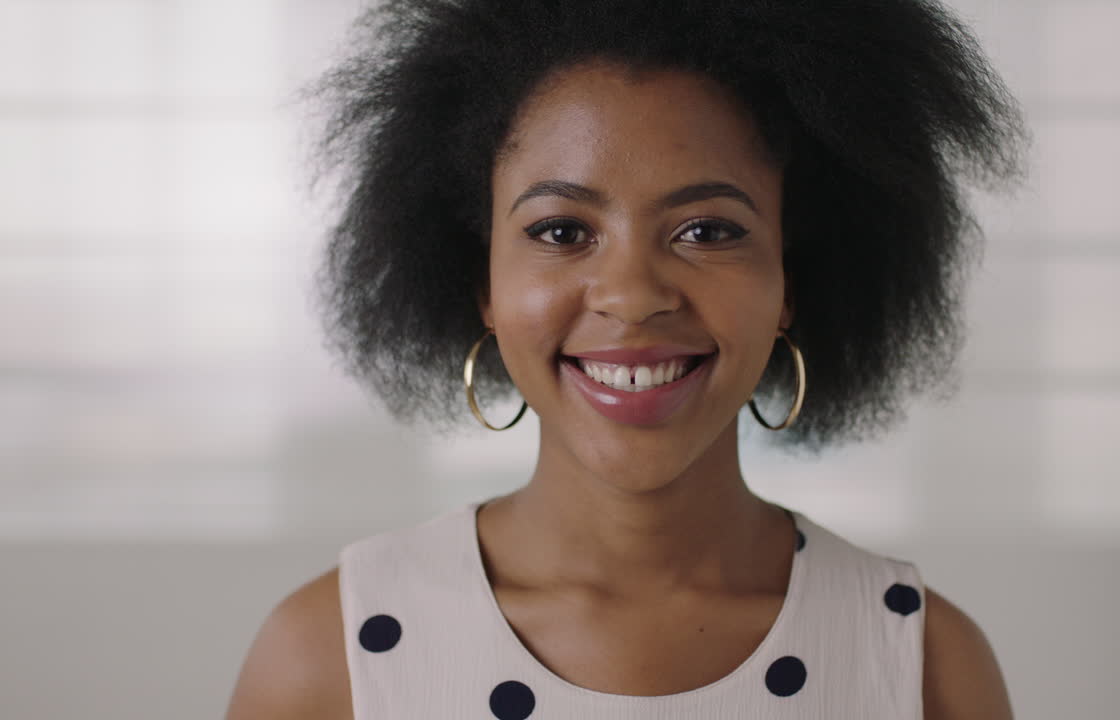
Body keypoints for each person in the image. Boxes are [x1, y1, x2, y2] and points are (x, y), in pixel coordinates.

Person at [226, 0, 1025, 717]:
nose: (633, 294)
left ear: (790, 282)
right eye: (562, 232)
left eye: (708, 231)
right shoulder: (327, 660)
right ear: (483, 287)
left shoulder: (924, 667)